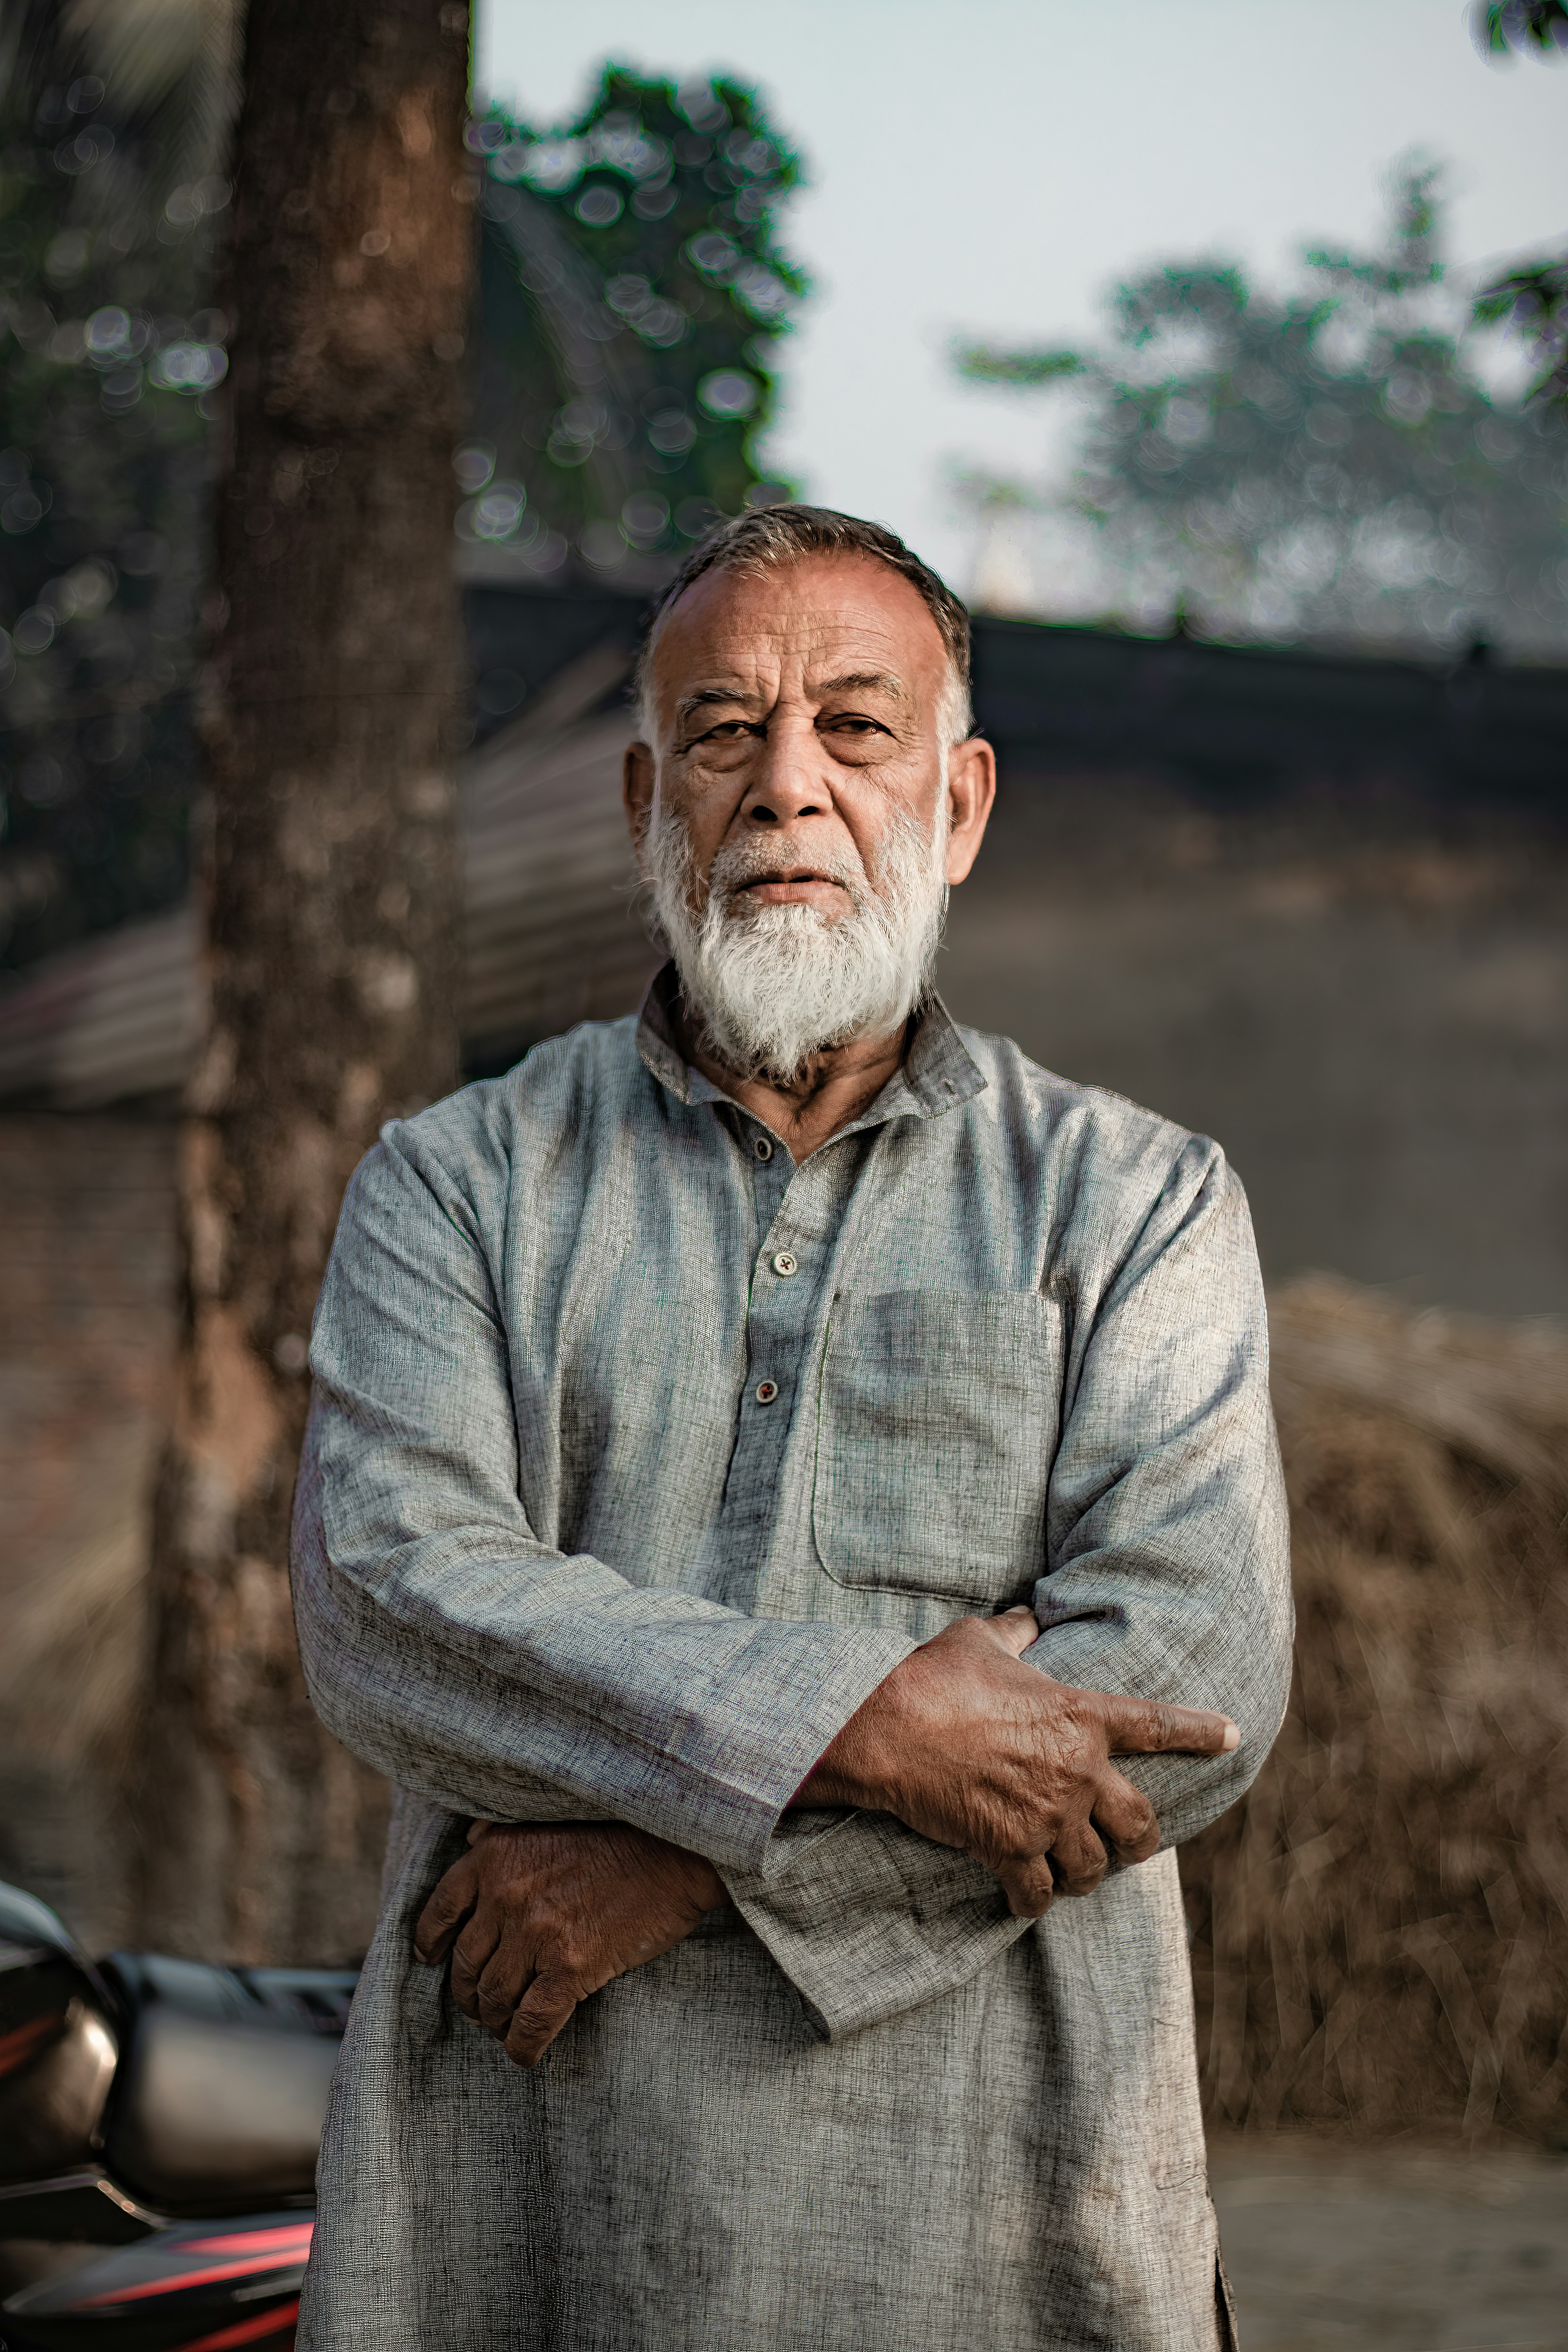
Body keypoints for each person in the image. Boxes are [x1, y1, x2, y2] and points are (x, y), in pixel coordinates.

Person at [291, 505, 1293, 2352]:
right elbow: (394, 1601)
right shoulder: (457, 1185)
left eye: (855, 726)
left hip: (1007, 2206)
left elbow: (1186, 1679)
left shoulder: (1138, 1200)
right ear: (640, 797)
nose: (786, 791)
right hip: (536, 2198)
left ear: (962, 804)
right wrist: (885, 1717)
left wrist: (686, 1855)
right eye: (723, 732)